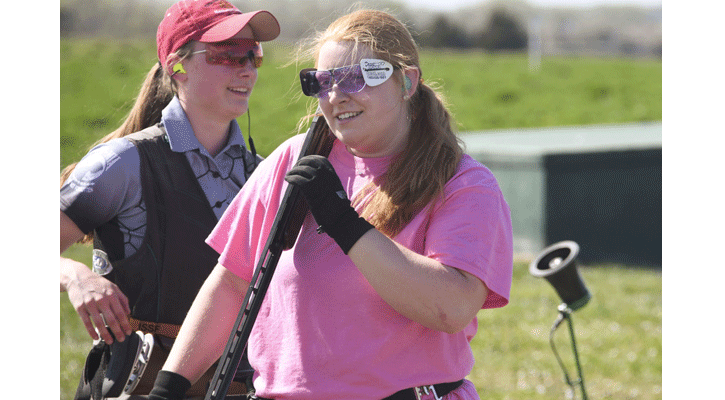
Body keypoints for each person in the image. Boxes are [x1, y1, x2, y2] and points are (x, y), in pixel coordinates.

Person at [148, 8, 513, 400]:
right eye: (321, 82)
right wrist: (168, 387)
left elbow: (451, 309)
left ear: (406, 81)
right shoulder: (296, 158)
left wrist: (345, 223)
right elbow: (234, 282)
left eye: (358, 77)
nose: (337, 96)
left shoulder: (464, 184)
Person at [60, 1, 280, 398]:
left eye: (253, 55)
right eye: (227, 54)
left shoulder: (263, 174)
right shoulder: (123, 163)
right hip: (139, 386)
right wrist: (76, 276)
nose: (246, 68)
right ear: (177, 65)